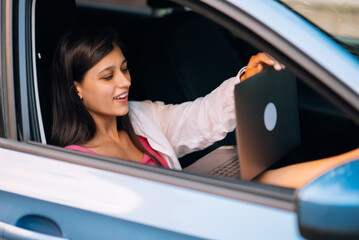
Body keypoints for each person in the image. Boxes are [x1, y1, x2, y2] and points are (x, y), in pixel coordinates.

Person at [51, 28, 358, 189]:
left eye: (125, 69)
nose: (124, 82)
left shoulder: (141, 117)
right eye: (108, 77)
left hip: (192, 209)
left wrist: (246, 79)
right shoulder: (79, 164)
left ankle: (349, 160)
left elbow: (202, 117)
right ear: (76, 87)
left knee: (265, 180)